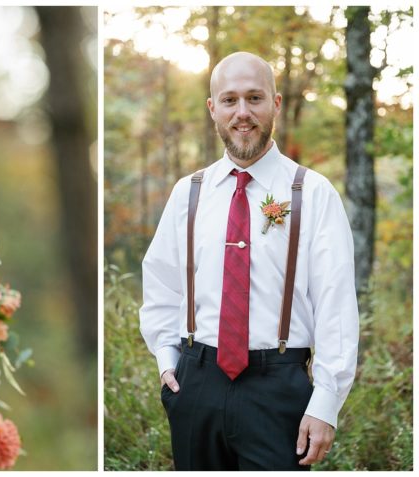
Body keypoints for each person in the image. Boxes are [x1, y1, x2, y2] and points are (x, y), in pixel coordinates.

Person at [138, 51, 359, 471]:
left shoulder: (312, 193)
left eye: (255, 98)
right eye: (230, 100)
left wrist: (326, 402)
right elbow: (161, 284)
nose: (243, 113)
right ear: (213, 109)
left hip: (278, 387)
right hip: (195, 382)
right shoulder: (189, 192)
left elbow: (336, 306)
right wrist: (167, 362)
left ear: (275, 103)